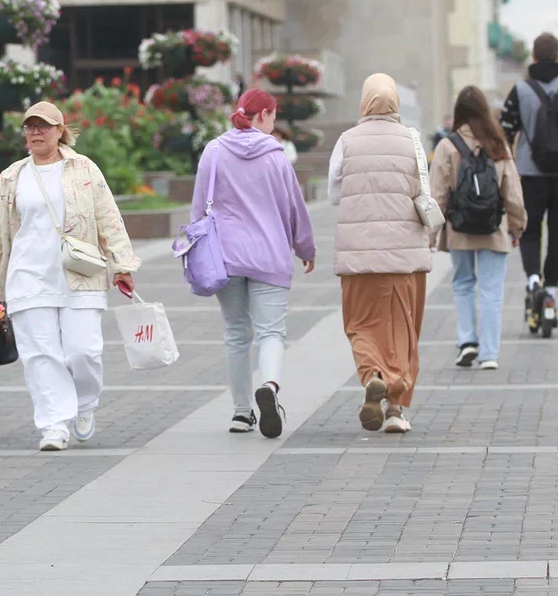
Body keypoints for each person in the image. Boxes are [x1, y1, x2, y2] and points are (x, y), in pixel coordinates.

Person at [0, 102, 141, 451]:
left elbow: (109, 217)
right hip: (28, 277)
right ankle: (54, 424)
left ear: (61, 130)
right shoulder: (12, 177)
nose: (35, 133)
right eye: (30, 127)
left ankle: (85, 404)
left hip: (80, 274)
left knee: (83, 351)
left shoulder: (84, 169)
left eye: (43, 126)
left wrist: (122, 264)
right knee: (40, 354)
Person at [195, 89, 316, 438]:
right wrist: (304, 246)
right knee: (271, 332)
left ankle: (241, 412)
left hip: (225, 256)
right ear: (263, 115)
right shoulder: (276, 156)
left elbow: (198, 206)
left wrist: (198, 250)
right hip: (269, 254)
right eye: (274, 116)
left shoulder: (213, 152)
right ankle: (271, 387)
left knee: (235, 333)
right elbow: (293, 206)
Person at [329, 74, 434, 434]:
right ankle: (395, 409)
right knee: (403, 333)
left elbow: (333, 194)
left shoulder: (346, 141)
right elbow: (425, 190)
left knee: (360, 326)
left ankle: (374, 375)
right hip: (405, 258)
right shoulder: (413, 141)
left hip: (358, 259)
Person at [499, 32, 558, 333]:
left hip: (529, 175)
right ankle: (550, 294)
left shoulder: (521, 90)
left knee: (528, 231)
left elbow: (505, 130)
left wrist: (513, 166)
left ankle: (533, 280)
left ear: (535, 58)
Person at [429, 86, 527, 370]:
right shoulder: (499, 144)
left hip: (460, 229)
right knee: (491, 290)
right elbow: (513, 194)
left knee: (462, 285)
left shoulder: (447, 146)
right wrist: (517, 226)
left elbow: (438, 195)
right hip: (494, 228)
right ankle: (490, 354)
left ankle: (467, 342)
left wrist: (432, 233)